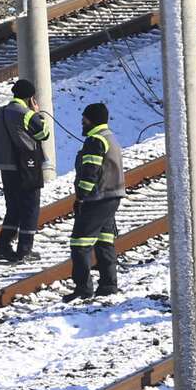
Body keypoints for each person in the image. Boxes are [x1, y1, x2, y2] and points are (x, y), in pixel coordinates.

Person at [0, 79, 50, 262]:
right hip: (26, 166)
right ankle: (24, 249)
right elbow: (43, 134)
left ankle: (2, 247)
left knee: (13, 208)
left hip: (5, 168)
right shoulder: (28, 114)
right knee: (30, 207)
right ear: (31, 98)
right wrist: (38, 114)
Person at [68, 102, 123, 300]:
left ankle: (83, 289)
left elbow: (90, 172)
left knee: (79, 243)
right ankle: (108, 286)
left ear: (91, 120)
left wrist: (81, 197)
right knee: (104, 241)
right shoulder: (110, 137)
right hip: (112, 196)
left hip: (97, 198)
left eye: (84, 120)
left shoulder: (95, 141)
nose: (82, 124)